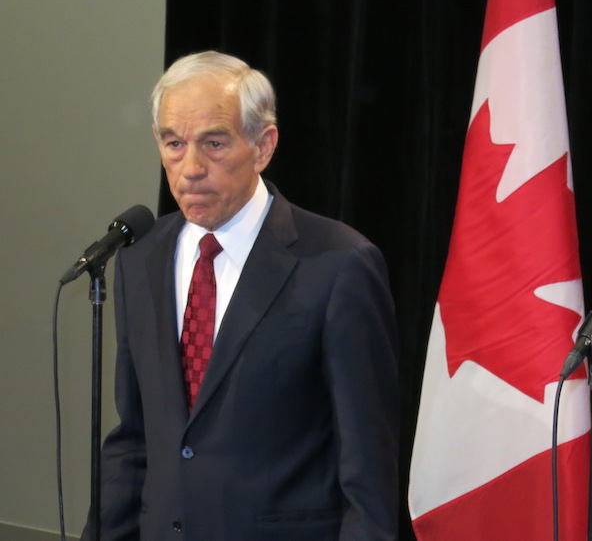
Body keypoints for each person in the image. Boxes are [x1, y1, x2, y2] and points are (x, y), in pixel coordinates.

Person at [82, 51, 399, 540]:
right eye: (174, 143)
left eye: (213, 143)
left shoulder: (339, 264)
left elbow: (367, 465)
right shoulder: (139, 258)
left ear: (263, 145)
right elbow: (135, 440)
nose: (190, 168)